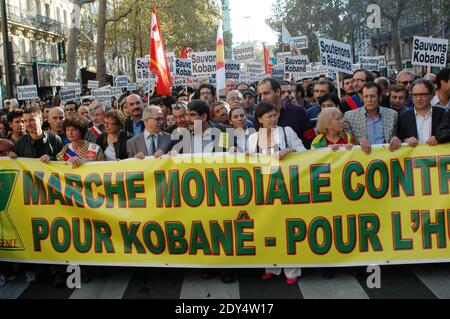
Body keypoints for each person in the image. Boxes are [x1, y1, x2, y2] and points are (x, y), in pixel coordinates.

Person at [247, 102, 305, 284]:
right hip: (264, 189)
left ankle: (292, 271)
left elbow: (305, 153)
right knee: (267, 228)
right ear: (259, 120)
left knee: (287, 229)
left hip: (287, 187)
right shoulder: (253, 138)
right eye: (268, 116)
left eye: (275, 115)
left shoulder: (287, 132)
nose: (273, 119)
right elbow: (248, 161)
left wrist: (288, 150)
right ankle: (271, 267)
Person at [343, 82, 401, 155]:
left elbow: (397, 136)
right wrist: (359, 141)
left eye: (372, 96)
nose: (369, 100)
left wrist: (396, 139)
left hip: (386, 157)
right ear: (362, 98)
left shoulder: (392, 115)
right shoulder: (349, 116)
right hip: (361, 159)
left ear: (380, 98)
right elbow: (346, 140)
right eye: (366, 96)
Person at [257, 78, 315, 149]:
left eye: (266, 93)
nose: (263, 98)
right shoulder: (259, 114)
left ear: (278, 92)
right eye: (261, 94)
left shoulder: (298, 111)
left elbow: (310, 140)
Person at [397, 79, 445, 147]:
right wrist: (406, 140)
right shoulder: (403, 118)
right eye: (415, 95)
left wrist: (439, 138)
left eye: (423, 94)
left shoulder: (442, 114)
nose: (419, 98)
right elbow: (398, 138)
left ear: (431, 95)